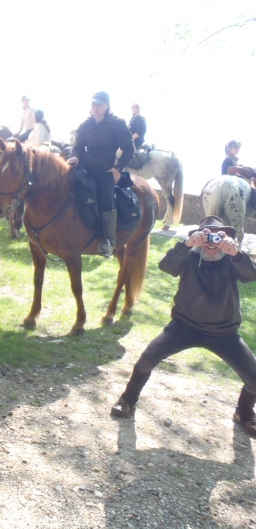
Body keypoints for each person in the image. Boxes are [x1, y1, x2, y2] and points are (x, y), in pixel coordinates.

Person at [110, 216, 256, 438]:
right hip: (184, 327)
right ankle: (128, 400)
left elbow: (252, 275)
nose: (212, 242)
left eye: (218, 236)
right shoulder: (189, 256)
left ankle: (243, 413)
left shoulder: (232, 260)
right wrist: (185, 245)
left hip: (224, 332)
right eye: (206, 236)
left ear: (226, 238)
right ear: (198, 238)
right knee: (146, 359)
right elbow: (165, 266)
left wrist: (237, 254)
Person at [66, 91, 135, 257]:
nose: (95, 108)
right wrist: (75, 155)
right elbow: (78, 146)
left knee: (106, 198)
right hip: (85, 169)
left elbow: (129, 149)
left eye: (99, 104)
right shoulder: (85, 125)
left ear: (107, 106)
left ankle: (109, 241)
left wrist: (118, 168)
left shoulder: (117, 124)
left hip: (105, 171)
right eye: (93, 104)